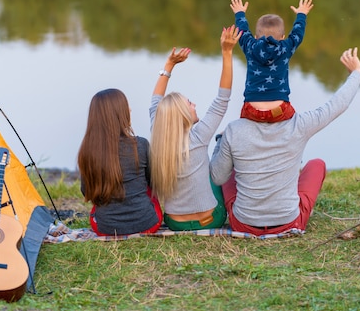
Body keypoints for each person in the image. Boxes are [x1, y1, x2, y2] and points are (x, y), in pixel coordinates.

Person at [210, 47, 360, 236]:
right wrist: (356, 73)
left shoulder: (234, 129)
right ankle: (293, 203)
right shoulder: (299, 124)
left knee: (227, 169)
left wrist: (221, 140)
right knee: (317, 165)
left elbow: (217, 177)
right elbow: (337, 104)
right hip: (290, 223)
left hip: (243, 224)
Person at [149, 25, 241, 230]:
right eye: (189, 104)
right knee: (217, 173)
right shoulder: (199, 137)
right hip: (211, 219)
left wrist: (169, 65)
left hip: (174, 223)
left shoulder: (159, 133)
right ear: (183, 115)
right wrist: (227, 53)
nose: (194, 105)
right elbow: (222, 99)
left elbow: (156, 103)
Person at [78, 88, 163, 236]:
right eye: (126, 106)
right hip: (148, 224)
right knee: (145, 186)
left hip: (106, 229)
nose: (129, 109)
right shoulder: (141, 145)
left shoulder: (87, 151)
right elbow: (153, 183)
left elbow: (87, 192)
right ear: (118, 113)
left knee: (100, 193)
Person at [231, 0, 313, 123]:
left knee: (241, 124)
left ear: (256, 36)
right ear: (283, 37)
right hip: (279, 110)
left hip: (251, 109)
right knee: (295, 123)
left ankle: (229, 132)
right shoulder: (286, 48)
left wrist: (239, 13)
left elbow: (242, 32)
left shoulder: (250, 46)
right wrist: (301, 14)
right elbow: (298, 34)